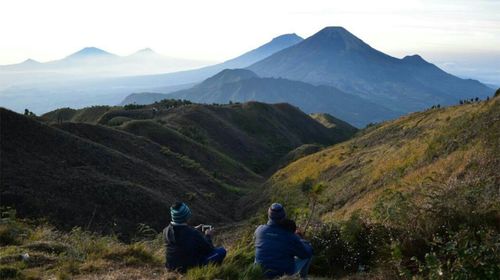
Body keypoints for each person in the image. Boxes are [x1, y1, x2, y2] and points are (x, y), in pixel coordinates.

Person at [255, 203, 313, 279]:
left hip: (260, 273)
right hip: (282, 275)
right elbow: (306, 253)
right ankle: (303, 278)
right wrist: (303, 241)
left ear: (269, 216)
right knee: (308, 254)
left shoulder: (259, 230)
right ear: (284, 216)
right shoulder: (290, 236)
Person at [164, 202, 226, 272]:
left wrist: (192, 229)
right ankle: (212, 271)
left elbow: (180, 233)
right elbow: (209, 249)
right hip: (188, 268)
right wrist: (208, 235)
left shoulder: (166, 230)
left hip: (170, 266)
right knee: (221, 251)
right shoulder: (193, 234)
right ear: (186, 216)